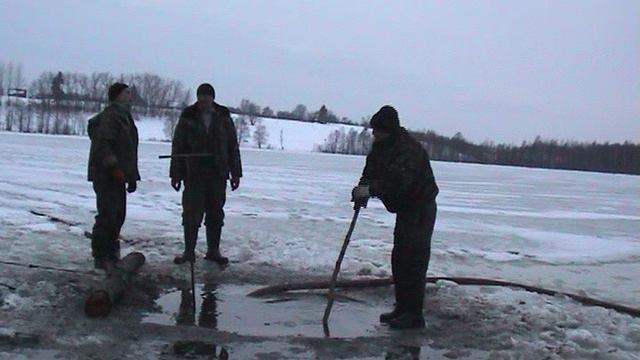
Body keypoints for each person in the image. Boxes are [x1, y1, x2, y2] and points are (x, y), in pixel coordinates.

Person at [352, 105, 438, 329]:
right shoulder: (381, 147)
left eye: (378, 130)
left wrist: (371, 190)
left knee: (413, 261)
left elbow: (398, 184)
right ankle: (402, 308)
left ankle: (414, 314)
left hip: (420, 207)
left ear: (388, 130)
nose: (374, 134)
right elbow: (369, 172)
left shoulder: (407, 150)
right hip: (405, 209)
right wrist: (361, 191)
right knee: (399, 259)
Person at [170, 83, 242, 265]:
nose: (203, 99)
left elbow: (233, 146)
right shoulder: (188, 116)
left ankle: (213, 251)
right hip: (194, 174)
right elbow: (178, 146)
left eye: (206, 96)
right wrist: (175, 174)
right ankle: (189, 252)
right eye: (200, 96)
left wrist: (236, 173)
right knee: (191, 214)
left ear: (212, 98)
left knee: (215, 213)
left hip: (217, 174)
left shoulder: (223, 117)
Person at [87, 83, 140, 269]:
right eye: (126, 93)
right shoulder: (110, 117)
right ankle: (101, 255)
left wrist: (131, 176)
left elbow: (129, 150)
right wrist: (114, 167)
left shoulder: (125, 117)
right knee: (107, 215)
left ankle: (112, 252)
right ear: (117, 95)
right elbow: (103, 146)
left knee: (118, 215)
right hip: (105, 175)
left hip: (120, 176)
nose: (129, 96)